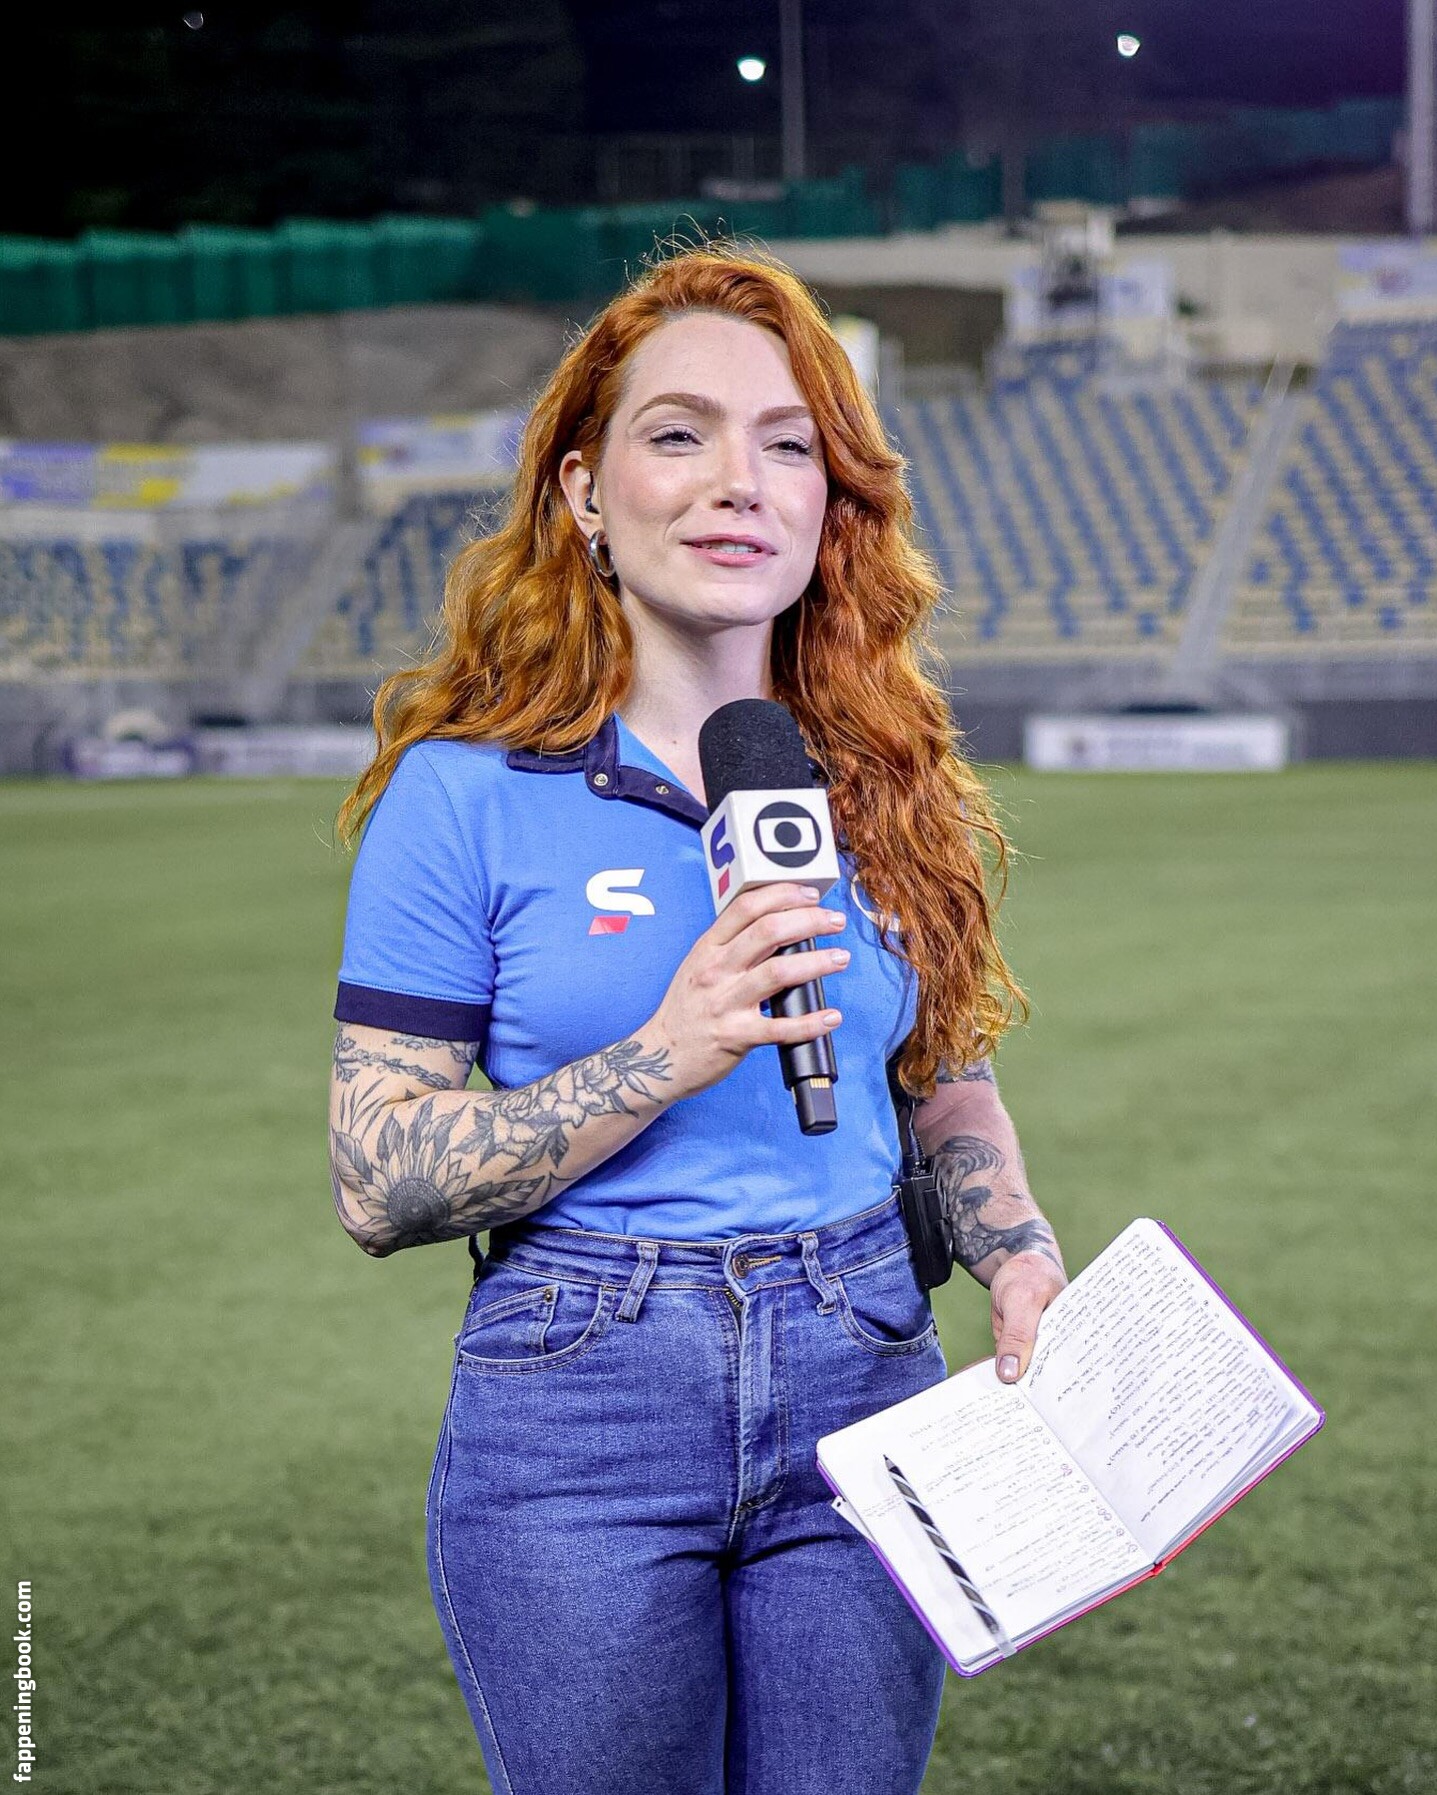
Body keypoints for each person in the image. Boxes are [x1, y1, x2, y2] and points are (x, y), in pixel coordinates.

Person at [328, 244, 1068, 1795]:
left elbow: (946, 1086)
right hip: (580, 1398)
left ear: (829, 499)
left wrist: (1016, 1255)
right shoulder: (460, 794)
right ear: (587, 491)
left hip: (867, 1365)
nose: (741, 481)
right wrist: (673, 1045)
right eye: (681, 434)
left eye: (788, 444)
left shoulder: (892, 783)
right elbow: (377, 1175)